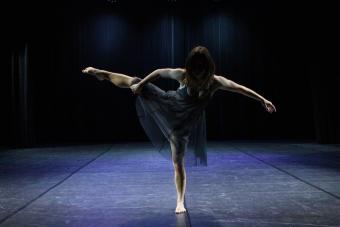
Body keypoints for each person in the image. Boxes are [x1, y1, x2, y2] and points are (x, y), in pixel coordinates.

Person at [82, 46, 276, 214]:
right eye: (195, 69)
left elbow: (240, 88)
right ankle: (103, 74)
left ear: (208, 68)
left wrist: (262, 100)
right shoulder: (183, 74)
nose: (198, 73)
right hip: (169, 104)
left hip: (182, 126)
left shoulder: (215, 81)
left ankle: (180, 200)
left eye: (201, 69)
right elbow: (158, 72)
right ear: (191, 67)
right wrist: (142, 84)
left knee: (177, 163)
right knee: (134, 81)